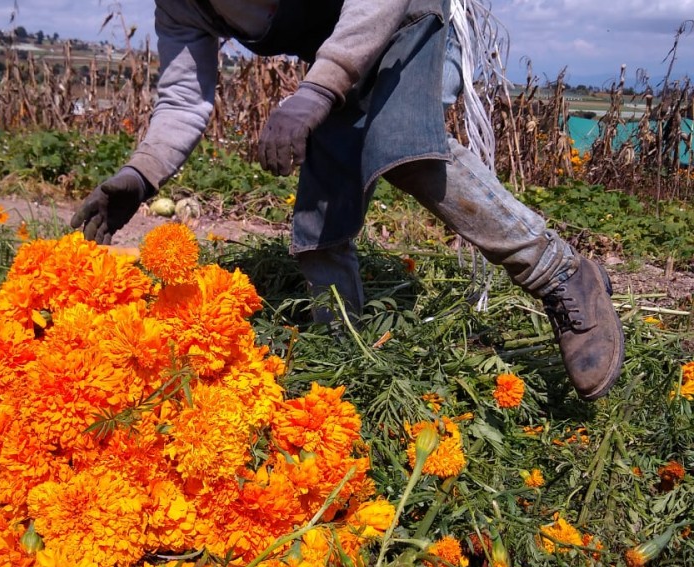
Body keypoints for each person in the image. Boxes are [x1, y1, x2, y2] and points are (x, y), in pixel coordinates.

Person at [70, 0, 624, 401]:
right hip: (345, 57)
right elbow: (185, 99)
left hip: (410, 18)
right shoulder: (182, 7)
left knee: (405, 149)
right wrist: (139, 177)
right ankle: (350, 361)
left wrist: (316, 90)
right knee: (318, 220)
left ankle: (562, 275)